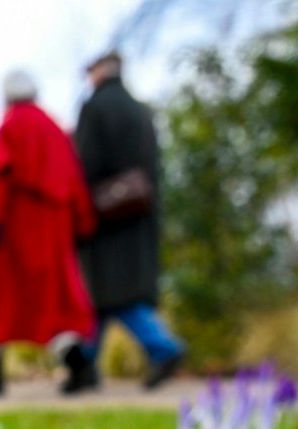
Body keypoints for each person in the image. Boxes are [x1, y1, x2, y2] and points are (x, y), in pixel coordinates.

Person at [0, 70, 98, 396]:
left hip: (13, 229)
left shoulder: (10, 125)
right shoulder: (54, 127)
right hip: (52, 231)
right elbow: (74, 178)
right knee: (53, 302)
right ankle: (78, 365)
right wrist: (83, 223)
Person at [74, 50, 185, 389]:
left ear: (100, 72)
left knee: (111, 293)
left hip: (105, 216)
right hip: (139, 214)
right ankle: (83, 363)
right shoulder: (140, 109)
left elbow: (85, 163)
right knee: (104, 295)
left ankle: (163, 348)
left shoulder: (94, 108)